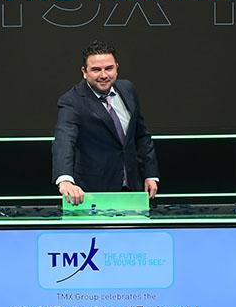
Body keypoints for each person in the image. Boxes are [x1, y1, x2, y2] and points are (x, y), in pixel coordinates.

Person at [52, 40, 160, 205]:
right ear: (84, 72)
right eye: (96, 70)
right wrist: (65, 180)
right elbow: (64, 140)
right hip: (93, 194)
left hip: (133, 189)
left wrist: (150, 174)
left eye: (109, 68)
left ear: (116, 67)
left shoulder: (128, 89)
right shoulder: (72, 101)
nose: (103, 75)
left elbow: (141, 136)